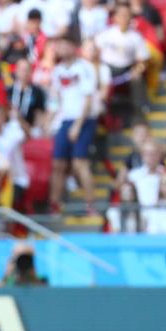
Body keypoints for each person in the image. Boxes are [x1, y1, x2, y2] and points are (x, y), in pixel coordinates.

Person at [47, 35, 98, 211]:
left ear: (73, 46)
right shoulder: (58, 70)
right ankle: (55, 204)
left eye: (63, 44)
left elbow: (88, 98)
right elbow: (55, 98)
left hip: (84, 119)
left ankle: (91, 203)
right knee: (58, 164)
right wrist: (49, 120)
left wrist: (78, 124)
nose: (60, 48)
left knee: (79, 162)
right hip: (65, 119)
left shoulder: (85, 68)